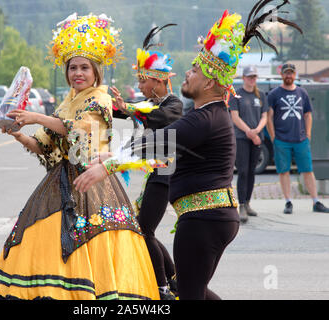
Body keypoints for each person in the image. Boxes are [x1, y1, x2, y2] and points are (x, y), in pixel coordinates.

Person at [74, 3, 302, 300]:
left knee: (189, 294)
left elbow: (162, 140)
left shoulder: (205, 118)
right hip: (207, 218)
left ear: (209, 81)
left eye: (193, 70)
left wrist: (107, 165)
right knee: (192, 291)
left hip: (203, 220)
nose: (186, 74)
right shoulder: (208, 114)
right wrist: (110, 156)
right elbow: (161, 143)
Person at [0, 13, 159, 300]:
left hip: (93, 182)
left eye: (84, 68)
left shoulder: (100, 98)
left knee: (91, 251)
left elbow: (76, 131)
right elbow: (44, 145)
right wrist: (17, 132)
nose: (78, 73)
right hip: (58, 182)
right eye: (73, 67)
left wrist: (36, 116)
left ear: (96, 72)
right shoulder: (67, 100)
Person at [110, 25, 183, 299]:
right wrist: (105, 104)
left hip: (166, 176)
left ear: (158, 81)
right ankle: (174, 279)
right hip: (156, 175)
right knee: (145, 228)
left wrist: (128, 108)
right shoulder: (150, 104)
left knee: (144, 229)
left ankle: (163, 285)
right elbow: (132, 111)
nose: (139, 86)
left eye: (143, 81)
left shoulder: (174, 105)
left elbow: (159, 117)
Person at [267, 63, 329, 214]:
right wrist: (273, 137)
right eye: (286, 73)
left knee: (308, 170)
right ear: (282, 75)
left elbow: (308, 114)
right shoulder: (274, 94)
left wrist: (307, 134)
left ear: (295, 75)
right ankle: (288, 202)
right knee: (284, 171)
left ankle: (315, 202)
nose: (289, 76)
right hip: (282, 139)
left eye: (291, 73)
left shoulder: (302, 92)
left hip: (301, 139)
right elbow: (269, 116)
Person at [229, 66, 268, 223]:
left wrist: (257, 131)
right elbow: (235, 117)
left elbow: (265, 116)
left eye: (254, 77)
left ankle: (248, 202)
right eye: (249, 76)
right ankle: (242, 205)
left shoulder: (261, 95)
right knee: (243, 171)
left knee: (252, 171)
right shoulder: (236, 95)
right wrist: (249, 132)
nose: (252, 79)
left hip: (257, 138)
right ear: (244, 78)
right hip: (242, 138)